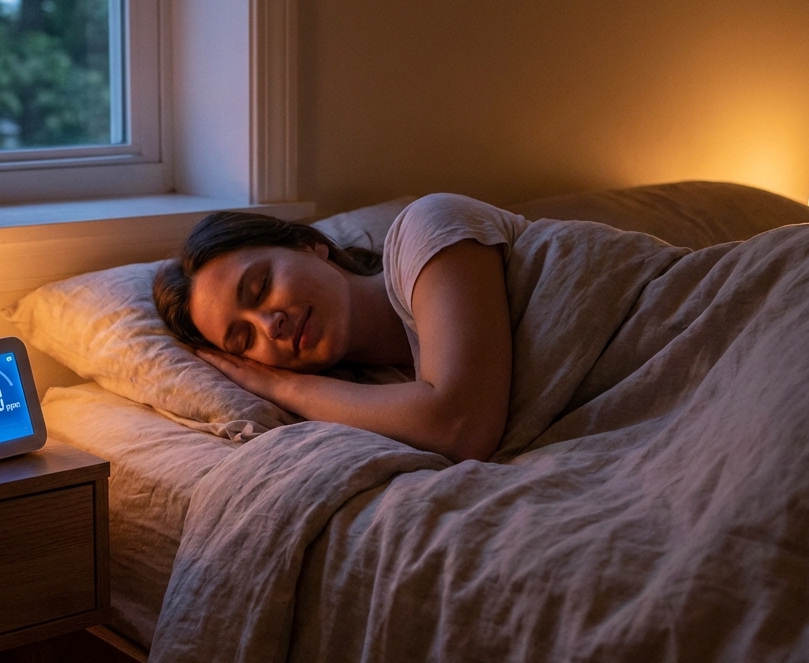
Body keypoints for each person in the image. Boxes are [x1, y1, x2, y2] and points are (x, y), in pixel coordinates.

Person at [153, 193, 528, 462]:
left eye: (261, 286)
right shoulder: (370, 397)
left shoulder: (429, 227)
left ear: (310, 245)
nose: (270, 325)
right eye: (243, 338)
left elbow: (460, 426)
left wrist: (284, 386)